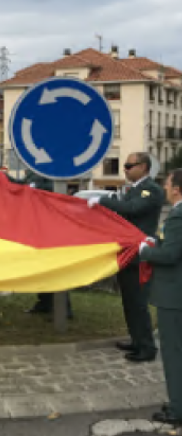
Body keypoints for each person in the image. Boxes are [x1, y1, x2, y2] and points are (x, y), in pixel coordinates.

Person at [89, 151, 166, 361]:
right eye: (124, 165)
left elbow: (131, 209)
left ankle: (147, 348)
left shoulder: (152, 190)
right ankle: (136, 340)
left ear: (143, 167)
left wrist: (104, 200)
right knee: (129, 301)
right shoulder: (134, 189)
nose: (124, 169)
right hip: (127, 252)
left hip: (140, 255)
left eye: (129, 165)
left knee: (139, 303)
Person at [140, 169, 182, 424]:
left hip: (174, 296)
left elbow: (170, 256)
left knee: (173, 354)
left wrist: (146, 250)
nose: (165, 189)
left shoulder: (178, 216)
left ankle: (177, 409)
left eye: (167, 185)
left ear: (177, 188)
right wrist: (155, 241)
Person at [8, 169, 76, 320]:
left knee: (56, 270)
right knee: (43, 268)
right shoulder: (34, 171)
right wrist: (3, 176)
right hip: (39, 228)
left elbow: (51, 191)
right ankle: (44, 302)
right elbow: (22, 185)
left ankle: (64, 308)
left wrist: (31, 188)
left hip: (52, 228)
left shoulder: (50, 172)